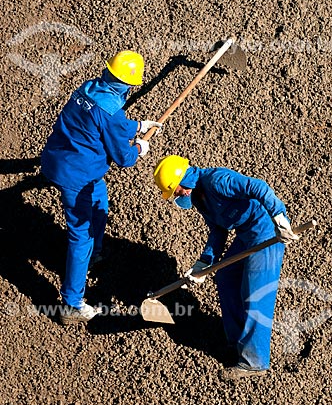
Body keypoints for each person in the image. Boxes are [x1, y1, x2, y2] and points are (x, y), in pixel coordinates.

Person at [41, 50, 161, 325]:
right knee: (80, 235)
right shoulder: (112, 111)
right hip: (77, 178)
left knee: (101, 205)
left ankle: (93, 256)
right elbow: (124, 158)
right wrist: (140, 147)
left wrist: (139, 126)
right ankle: (71, 304)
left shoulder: (88, 88)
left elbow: (104, 122)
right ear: (129, 84)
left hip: (63, 160)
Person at [153, 155, 299, 379]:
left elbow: (257, 186)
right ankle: (237, 339)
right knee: (226, 277)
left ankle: (255, 362)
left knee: (256, 295)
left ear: (184, 181)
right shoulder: (200, 199)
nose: (177, 195)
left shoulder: (216, 180)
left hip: (267, 232)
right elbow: (218, 231)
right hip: (246, 235)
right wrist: (203, 263)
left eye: (176, 190)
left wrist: (279, 215)